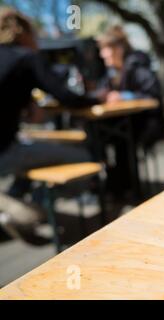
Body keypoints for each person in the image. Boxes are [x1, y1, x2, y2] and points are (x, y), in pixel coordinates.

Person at [0, 8, 100, 243]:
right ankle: (27, 210)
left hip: (10, 145)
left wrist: (25, 102)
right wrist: (100, 98)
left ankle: (13, 202)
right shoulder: (26, 58)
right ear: (23, 32)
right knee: (85, 156)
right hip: (5, 152)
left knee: (35, 150)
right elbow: (68, 97)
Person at [95, 25, 164, 196]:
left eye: (106, 51)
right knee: (99, 133)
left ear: (118, 49)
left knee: (122, 140)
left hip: (148, 123)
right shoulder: (113, 72)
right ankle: (115, 184)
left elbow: (153, 95)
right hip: (126, 122)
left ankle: (127, 188)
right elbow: (103, 90)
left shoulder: (137, 66)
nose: (102, 55)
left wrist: (125, 96)